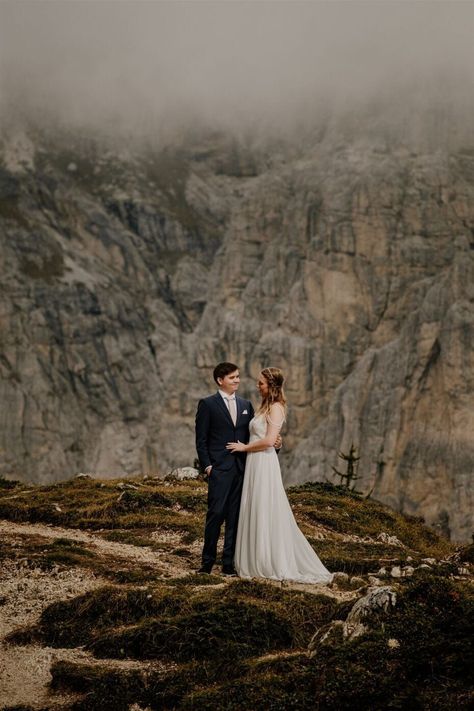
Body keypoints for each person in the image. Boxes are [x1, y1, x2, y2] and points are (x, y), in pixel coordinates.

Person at [227, 367, 333, 584]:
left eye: (261, 383)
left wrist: (244, 447)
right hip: (254, 463)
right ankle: (253, 557)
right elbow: (269, 437)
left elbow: (268, 440)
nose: (258, 386)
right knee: (254, 506)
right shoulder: (264, 407)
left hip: (263, 462)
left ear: (272, 386)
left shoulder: (276, 408)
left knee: (264, 507)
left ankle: (267, 559)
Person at [195, 362, 255, 575]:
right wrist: (208, 467)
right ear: (220, 380)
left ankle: (228, 565)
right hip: (219, 470)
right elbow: (201, 440)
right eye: (232, 377)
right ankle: (207, 563)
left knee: (235, 518)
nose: (237, 380)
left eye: (238, 376)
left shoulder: (246, 404)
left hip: (240, 469)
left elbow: (252, 438)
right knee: (215, 515)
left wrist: (274, 445)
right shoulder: (207, 404)